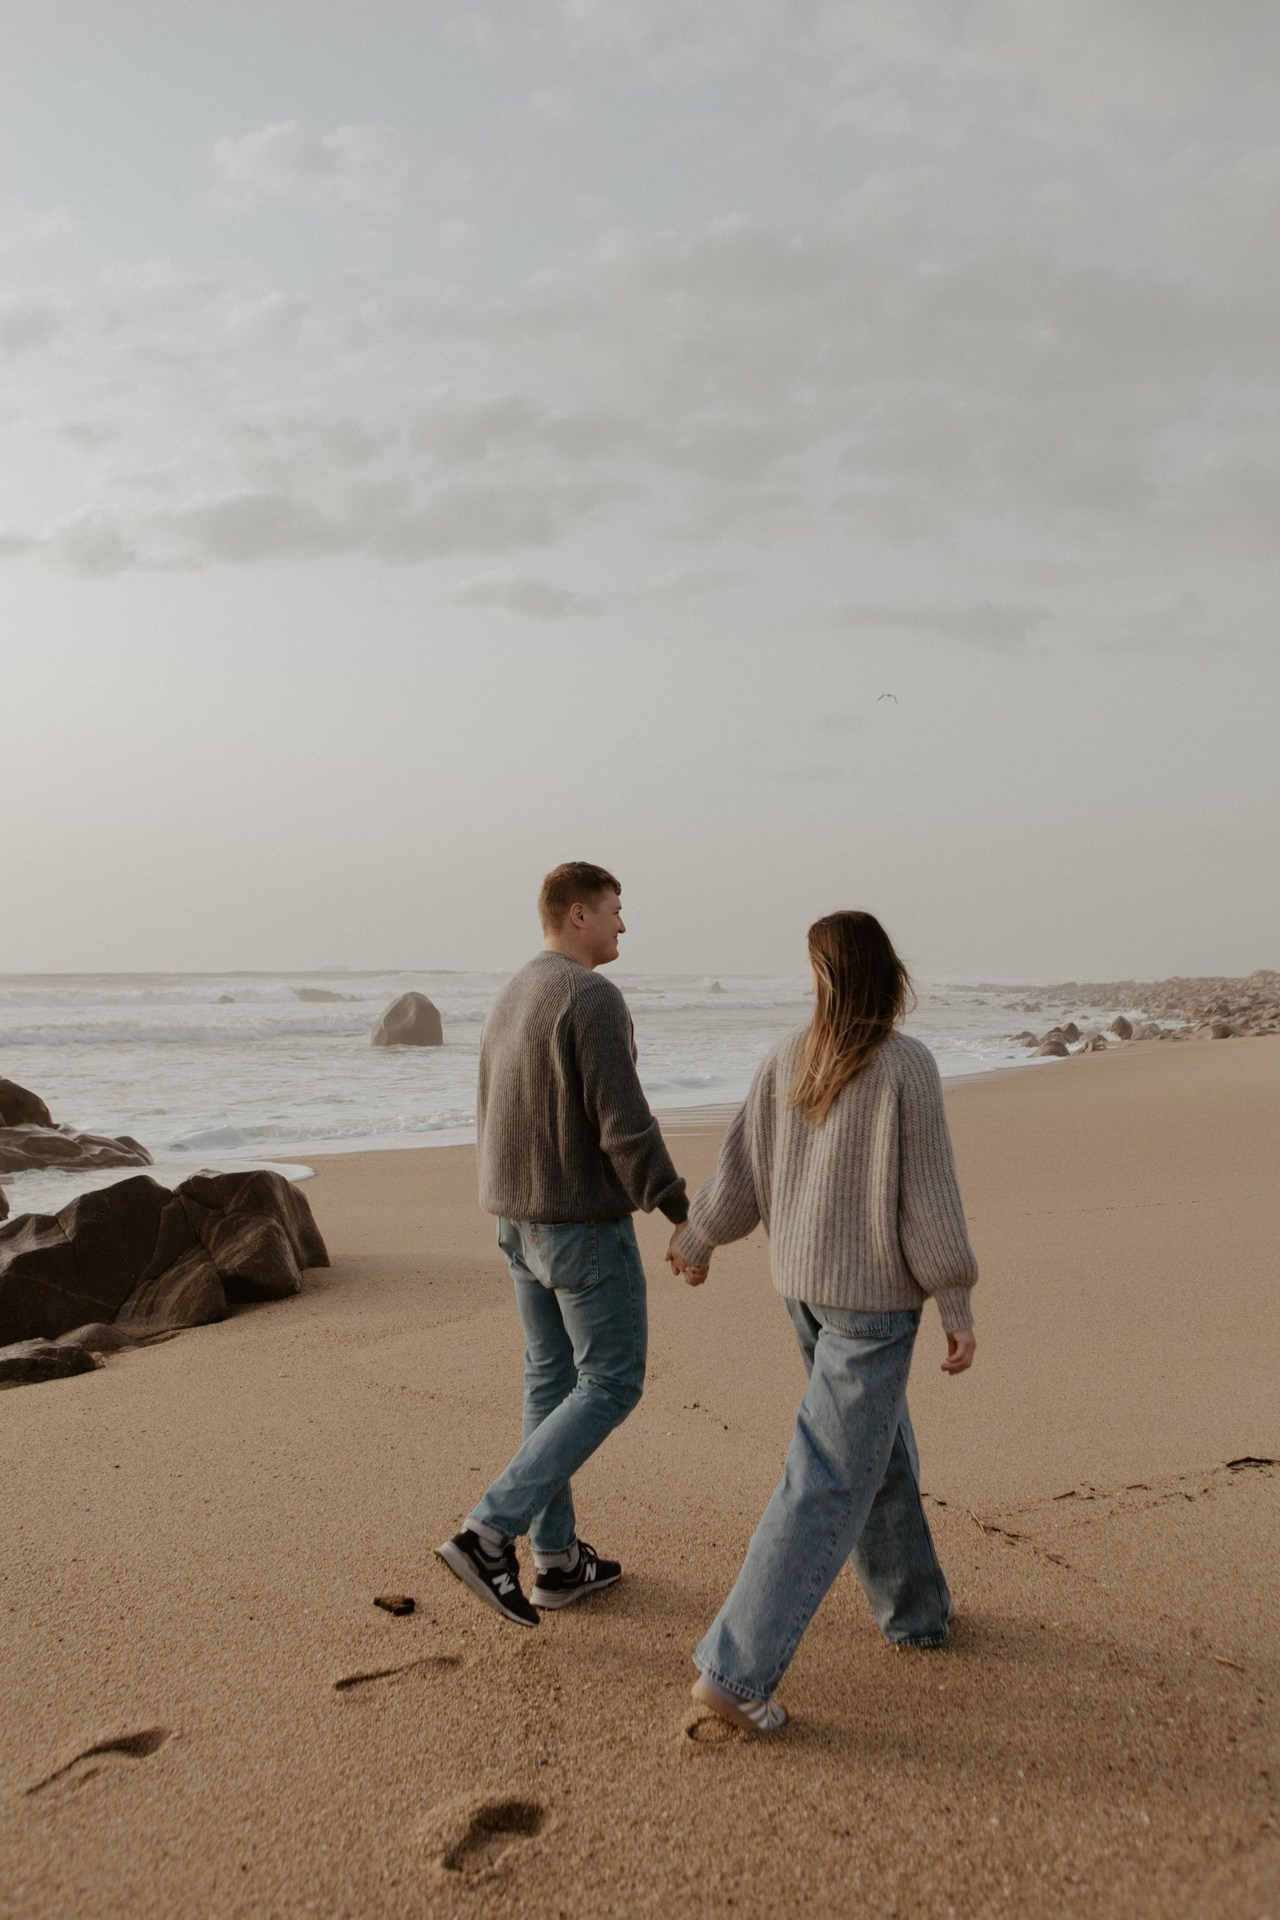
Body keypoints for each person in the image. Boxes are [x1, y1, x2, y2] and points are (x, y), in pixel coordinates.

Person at [667, 910, 978, 1733]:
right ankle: (735, 1672)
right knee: (828, 1476)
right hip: (871, 1305)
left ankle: (916, 1612)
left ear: (823, 979)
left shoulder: (786, 1057)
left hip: (802, 1292)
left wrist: (699, 1238)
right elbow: (931, 1201)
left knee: (876, 1451)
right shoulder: (906, 1066)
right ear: (887, 973)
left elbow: (739, 1177)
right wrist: (955, 1299)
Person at [437, 861, 699, 1628]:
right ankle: (489, 1533)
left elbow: (490, 1107)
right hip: (579, 1227)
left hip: (517, 1221)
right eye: (615, 909)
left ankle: (556, 1562)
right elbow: (626, 1124)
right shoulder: (590, 996)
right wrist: (680, 1210)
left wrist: (507, 1205)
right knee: (611, 1382)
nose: (623, 923)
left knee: (551, 1384)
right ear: (578, 913)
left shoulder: (514, 991)